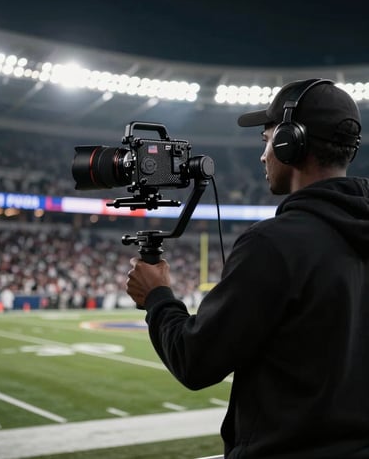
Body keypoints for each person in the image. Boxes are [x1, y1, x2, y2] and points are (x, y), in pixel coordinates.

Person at [126, 78, 369, 458]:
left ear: (291, 143)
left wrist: (157, 298)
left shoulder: (274, 244)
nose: (262, 156)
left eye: (266, 140)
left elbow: (196, 361)